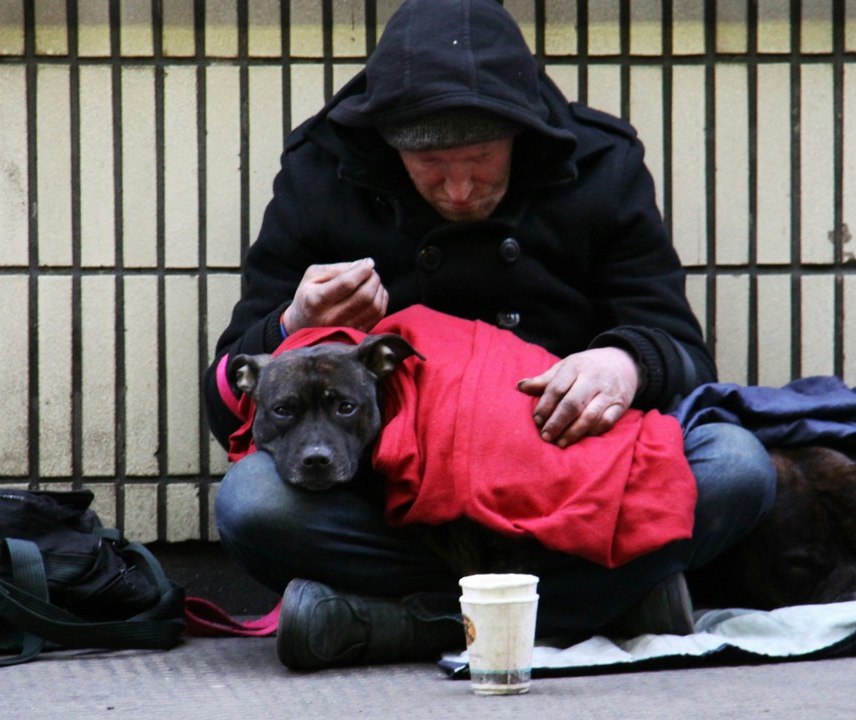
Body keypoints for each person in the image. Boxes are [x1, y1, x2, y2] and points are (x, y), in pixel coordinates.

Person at [204, 0, 776, 670]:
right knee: (251, 505)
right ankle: (601, 604)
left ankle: (397, 625)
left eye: (479, 157)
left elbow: (682, 353)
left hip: (564, 476)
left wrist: (623, 362)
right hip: (396, 499)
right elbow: (230, 402)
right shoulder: (321, 170)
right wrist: (294, 323)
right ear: (388, 145)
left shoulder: (600, 162)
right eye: (429, 164)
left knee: (737, 465)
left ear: (520, 132)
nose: (458, 187)